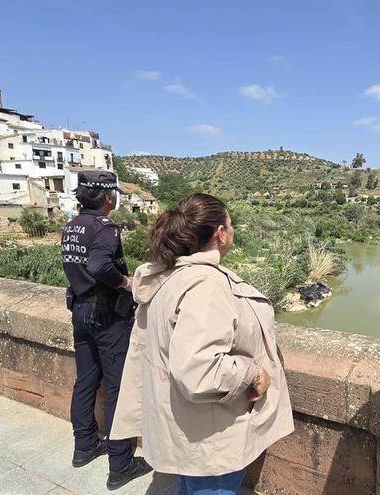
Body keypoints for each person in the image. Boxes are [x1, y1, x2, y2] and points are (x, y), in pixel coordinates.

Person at [111, 193, 295, 495]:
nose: (232, 231)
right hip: (212, 441)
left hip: (188, 431)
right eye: (230, 225)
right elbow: (199, 370)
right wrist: (253, 372)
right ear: (220, 233)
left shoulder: (168, 277)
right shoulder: (206, 284)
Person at [61, 171, 152, 490]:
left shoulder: (72, 226)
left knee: (85, 381)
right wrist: (126, 283)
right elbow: (99, 265)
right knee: (117, 388)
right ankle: (120, 464)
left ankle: (84, 446)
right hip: (106, 316)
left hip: (80, 310)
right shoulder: (105, 227)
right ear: (109, 198)